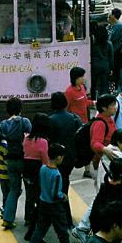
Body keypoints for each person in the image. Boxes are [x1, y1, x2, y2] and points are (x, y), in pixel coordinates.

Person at [71, 94, 118, 243]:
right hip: (102, 164)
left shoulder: (109, 120)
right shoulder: (100, 123)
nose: (115, 107)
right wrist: (106, 150)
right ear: (104, 108)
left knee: (103, 197)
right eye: (112, 105)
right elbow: (95, 144)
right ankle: (83, 227)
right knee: (100, 197)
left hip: (108, 164)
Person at [23, 143, 81, 243]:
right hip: (54, 206)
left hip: (43, 202)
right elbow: (55, 194)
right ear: (59, 158)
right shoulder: (56, 174)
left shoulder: (43, 168)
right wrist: (63, 196)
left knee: (41, 227)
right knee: (62, 229)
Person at [0, 97, 32, 229]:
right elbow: (31, 137)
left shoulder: (3, 124)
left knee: (14, 190)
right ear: (20, 109)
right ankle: (29, 218)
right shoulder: (25, 122)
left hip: (9, 160)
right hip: (24, 159)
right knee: (29, 188)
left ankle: (8, 218)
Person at [49, 92, 82, 228]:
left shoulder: (51, 120)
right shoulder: (73, 118)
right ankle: (65, 217)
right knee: (64, 185)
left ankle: (64, 219)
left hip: (57, 159)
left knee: (59, 188)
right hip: (70, 157)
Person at [23, 113, 51, 243]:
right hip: (38, 173)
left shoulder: (26, 138)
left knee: (31, 197)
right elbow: (46, 162)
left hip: (27, 171)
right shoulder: (43, 142)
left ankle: (28, 219)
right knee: (41, 203)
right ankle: (35, 233)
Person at [65, 66, 95, 179]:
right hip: (75, 124)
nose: (83, 79)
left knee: (87, 145)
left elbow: (84, 102)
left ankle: (87, 170)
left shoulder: (82, 87)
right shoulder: (69, 92)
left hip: (85, 122)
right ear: (75, 78)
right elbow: (66, 108)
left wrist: (93, 103)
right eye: (81, 77)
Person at [91, 24, 114, 98]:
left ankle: (93, 99)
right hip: (105, 65)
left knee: (93, 84)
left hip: (94, 65)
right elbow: (111, 57)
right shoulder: (109, 44)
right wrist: (111, 68)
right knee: (104, 85)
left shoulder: (93, 43)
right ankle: (103, 99)